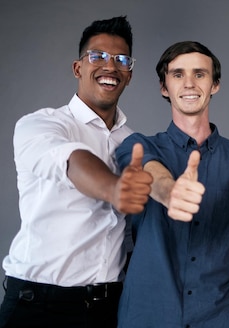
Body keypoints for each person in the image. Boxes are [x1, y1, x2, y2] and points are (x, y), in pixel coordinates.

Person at [0, 16, 153, 328]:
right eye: (97, 56)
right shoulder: (42, 124)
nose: (110, 66)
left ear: (129, 74)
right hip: (39, 306)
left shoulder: (133, 143)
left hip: (108, 307)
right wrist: (114, 189)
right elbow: (71, 160)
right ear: (77, 68)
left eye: (121, 60)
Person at [115, 41, 229, 327]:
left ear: (215, 84)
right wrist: (169, 192)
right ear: (164, 87)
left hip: (219, 315)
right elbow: (148, 170)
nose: (189, 83)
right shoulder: (138, 145)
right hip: (147, 315)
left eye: (200, 74)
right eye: (178, 74)